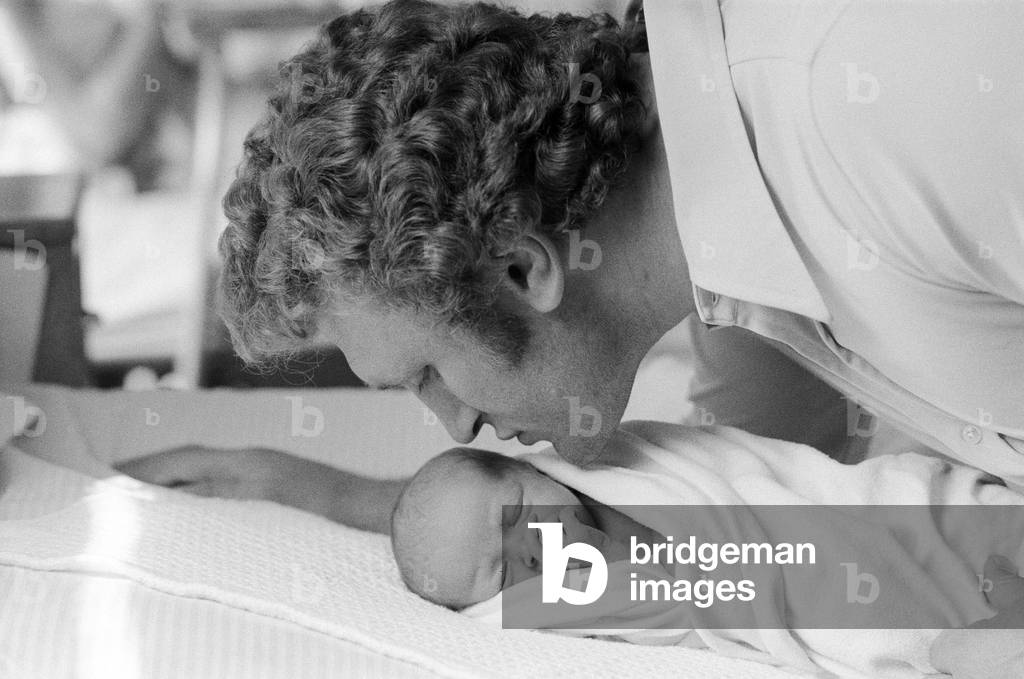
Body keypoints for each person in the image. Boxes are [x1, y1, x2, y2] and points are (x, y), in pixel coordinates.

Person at [141, 0, 1023, 538]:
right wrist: (342, 502)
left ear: (524, 268)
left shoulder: (882, 100)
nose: (455, 428)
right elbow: (726, 528)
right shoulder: (721, 249)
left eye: (429, 376)